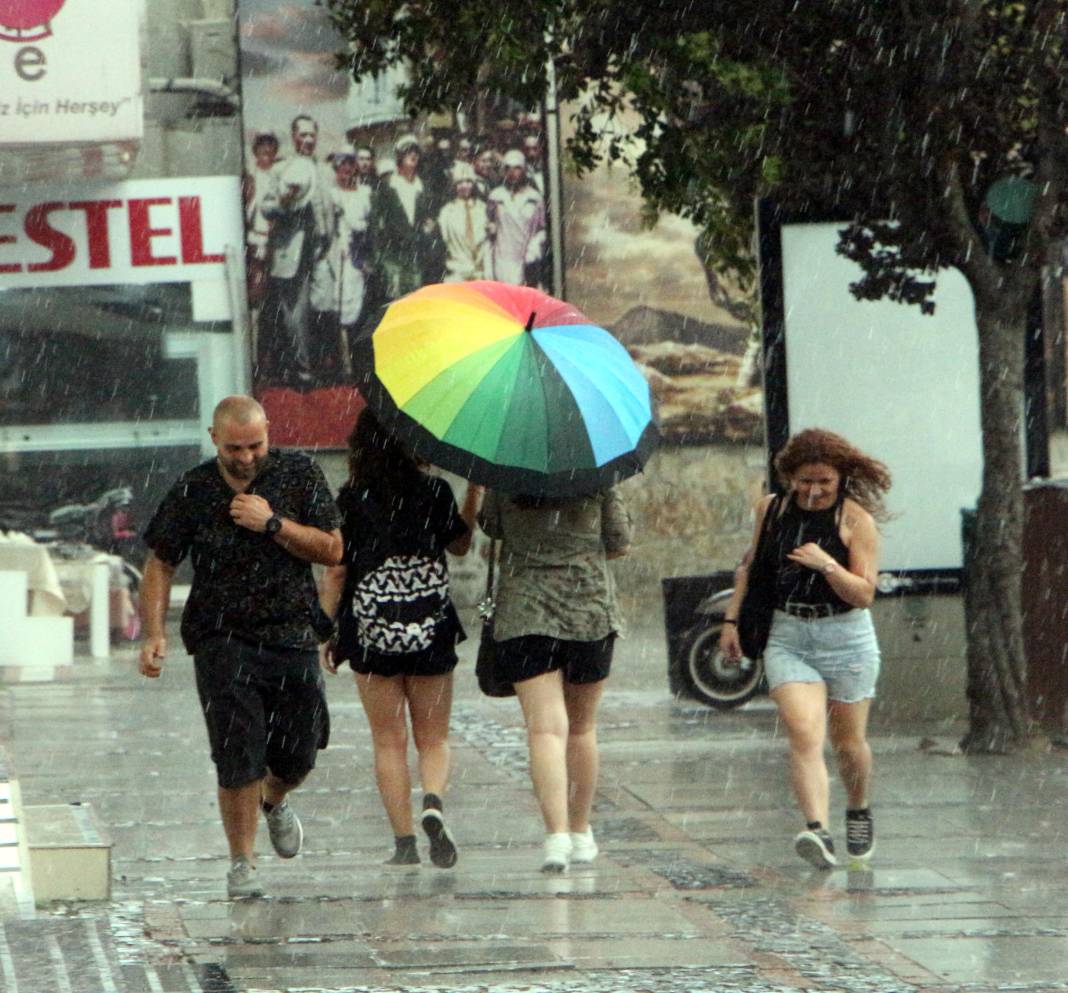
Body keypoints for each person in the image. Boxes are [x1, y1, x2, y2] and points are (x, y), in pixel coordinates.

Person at [139, 395, 342, 899]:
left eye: (255, 445)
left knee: (300, 751)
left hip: (291, 631)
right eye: (235, 447)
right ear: (214, 439)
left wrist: (273, 523)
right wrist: (154, 632)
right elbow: (160, 561)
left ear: (268, 433)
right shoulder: (194, 489)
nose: (247, 457)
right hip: (220, 636)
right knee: (236, 752)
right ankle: (242, 863)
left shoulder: (299, 474)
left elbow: (333, 549)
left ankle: (273, 799)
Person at [719, 428, 891, 870]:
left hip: (847, 636)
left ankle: (858, 806)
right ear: (790, 477)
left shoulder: (855, 520)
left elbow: (864, 594)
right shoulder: (771, 510)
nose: (813, 491)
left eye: (824, 483)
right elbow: (751, 566)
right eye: (805, 481)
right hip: (790, 634)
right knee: (803, 731)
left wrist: (827, 565)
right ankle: (817, 829)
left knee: (849, 743)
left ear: (841, 481)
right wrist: (731, 620)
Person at [318, 410, 481, 868]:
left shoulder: (350, 500)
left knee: (388, 741)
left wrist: (327, 629)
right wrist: (474, 495)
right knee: (433, 739)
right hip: (430, 628)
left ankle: (404, 844)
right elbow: (461, 545)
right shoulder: (434, 492)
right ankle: (432, 801)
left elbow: (336, 569)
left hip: (372, 632)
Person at [478, 487, 632, 872]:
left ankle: (556, 837)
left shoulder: (508, 474)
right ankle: (580, 833)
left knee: (545, 729)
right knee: (581, 729)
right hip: (588, 611)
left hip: (525, 613)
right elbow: (619, 542)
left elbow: (491, 527)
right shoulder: (597, 472)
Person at [258, 115, 334, 389]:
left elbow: (330, 208)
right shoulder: (282, 170)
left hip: (322, 251)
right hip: (292, 251)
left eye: (311, 134)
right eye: (302, 135)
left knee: (323, 309)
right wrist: (284, 201)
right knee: (296, 313)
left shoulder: (325, 170)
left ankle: (321, 365)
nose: (308, 139)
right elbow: (266, 208)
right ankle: (302, 373)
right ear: (293, 138)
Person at [309, 150, 373, 384]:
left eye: (350, 166)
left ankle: (356, 364)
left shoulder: (365, 193)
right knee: (336, 310)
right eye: (341, 167)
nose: (346, 171)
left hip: (357, 259)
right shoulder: (331, 195)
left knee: (356, 310)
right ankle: (340, 363)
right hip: (337, 257)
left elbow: (371, 225)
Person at [369, 133, 443, 301]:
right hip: (393, 259)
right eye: (408, 151)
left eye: (416, 151)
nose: (413, 155)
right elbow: (375, 224)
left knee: (414, 303)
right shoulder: (387, 187)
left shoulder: (422, 187)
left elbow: (429, 218)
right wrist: (379, 259)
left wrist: (430, 226)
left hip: (416, 258)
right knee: (394, 305)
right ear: (399, 156)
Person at [487, 149, 546, 286]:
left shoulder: (534, 198)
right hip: (502, 261)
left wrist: (534, 248)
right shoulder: (496, 196)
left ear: (524, 170)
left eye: (517, 168)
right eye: (508, 168)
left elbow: (542, 229)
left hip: (526, 261)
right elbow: (489, 223)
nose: (512, 173)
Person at [437, 162, 489, 282]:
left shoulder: (484, 209)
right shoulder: (447, 212)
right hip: (457, 274)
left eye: (468, 181)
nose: (464, 186)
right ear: (454, 186)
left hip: (481, 274)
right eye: (460, 182)